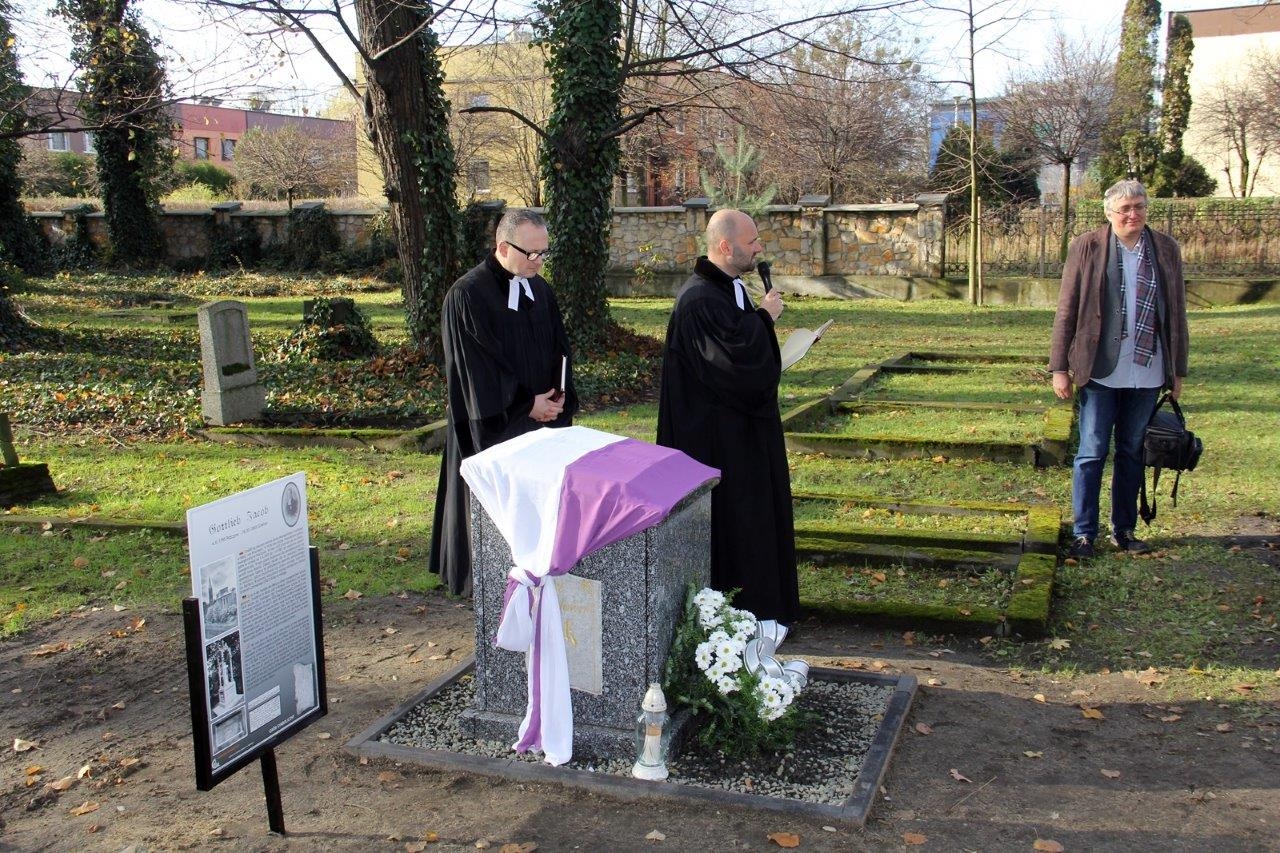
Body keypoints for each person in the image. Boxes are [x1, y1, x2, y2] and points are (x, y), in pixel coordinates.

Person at [657, 208, 800, 625]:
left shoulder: (729, 289)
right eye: (752, 242)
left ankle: (763, 609)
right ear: (725, 246)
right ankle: (737, 614)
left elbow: (742, 348)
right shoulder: (699, 300)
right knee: (734, 526)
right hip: (717, 441)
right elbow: (732, 365)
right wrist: (764, 319)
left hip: (743, 433)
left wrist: (760, 323)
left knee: (755, 522)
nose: (759, 248)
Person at [428, 208, 577, 596]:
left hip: (541, 421)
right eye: (532, 253)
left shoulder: (540, 290)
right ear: (503, 247)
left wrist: (558, 394)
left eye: (544, 252)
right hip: (498, 425)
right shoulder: (467, 295)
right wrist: (525, 405)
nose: (539, 261)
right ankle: (490, 578)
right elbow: (476, 369)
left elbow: (559, 348)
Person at [1050, 179, 1189, 559]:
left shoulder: (1165, 248)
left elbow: (1177, 312)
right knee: (1092, 451)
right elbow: (1067, 309)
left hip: (1147, 369)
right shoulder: (1088, 246)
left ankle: (1124, 530)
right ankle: (1084, 534)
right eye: (1125, 208)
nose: (1133, 214)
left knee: (1131, 450)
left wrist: (1178, 371)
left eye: (1139, 206)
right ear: (1109, 213)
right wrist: (1059, 367)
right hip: (1100, 369)